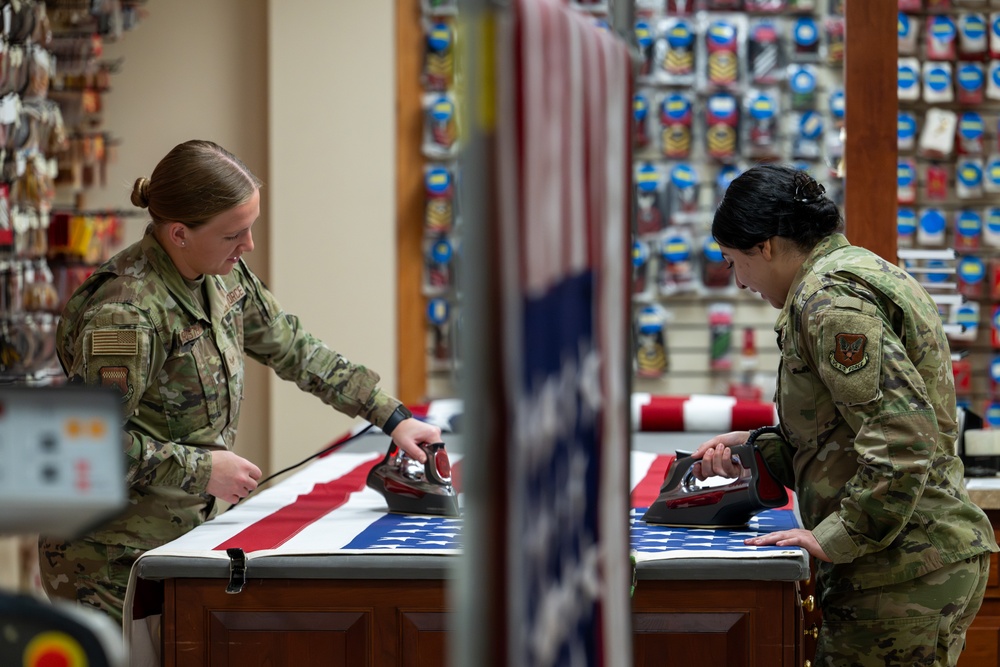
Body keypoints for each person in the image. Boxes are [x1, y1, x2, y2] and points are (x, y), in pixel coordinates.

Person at [38, 139, 441, 626]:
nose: (248, 245)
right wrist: (201, 468)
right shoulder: (126, 314)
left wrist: (390, 415)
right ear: (180, 233)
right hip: (105, 557)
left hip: (175, 538)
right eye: (234, 234)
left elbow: (293, 347)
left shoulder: (221, 274)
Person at [691, 164, 998, 666]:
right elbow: (839, 437)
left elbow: (902, 436)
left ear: (765, 246)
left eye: (732, 263)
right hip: (905, 563)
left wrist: (841, 533)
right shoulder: (851, 274)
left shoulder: (829, 299)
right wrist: (752, 453)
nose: (740, 282)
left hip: (900, 571)